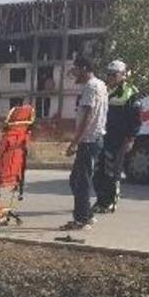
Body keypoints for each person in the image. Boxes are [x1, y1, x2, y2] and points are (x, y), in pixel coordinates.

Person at [62, 55, 108, 231]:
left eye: (75, 70)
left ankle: (81, 219)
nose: (74, 74)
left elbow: (88, 116)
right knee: (76, 179)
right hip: (93, 139)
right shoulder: (101, 85)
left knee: (81, 181)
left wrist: (75, 141)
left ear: (84, 69)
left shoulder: (90, 87)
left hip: (88, 140)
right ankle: (86, 214)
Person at [93, 60, 142, 214]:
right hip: (103, 137)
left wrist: (131, 138)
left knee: (112, 172)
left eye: (114, 74)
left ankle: (110, 202)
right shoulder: (105, 90)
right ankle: (101, 200)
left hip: (120, 139)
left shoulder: (130, 92)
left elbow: (136, 119)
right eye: (108, 74)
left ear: (123, 75)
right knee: (98, 172)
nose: (110, 77)